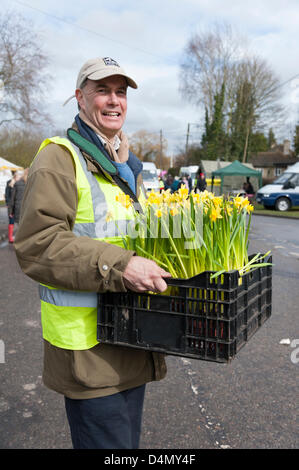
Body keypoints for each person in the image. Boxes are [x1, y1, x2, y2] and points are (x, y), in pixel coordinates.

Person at [14, 57, 171, 449]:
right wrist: (123, 265)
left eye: (121, 92)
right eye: (102, 90)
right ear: (80, 98)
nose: (114, 100)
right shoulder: (60, 157)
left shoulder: (124, 165)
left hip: (130, 341)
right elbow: (38, 243)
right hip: (89, 353)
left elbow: (130, 236)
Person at [9, 169, 28, 239]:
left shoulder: (17, 184)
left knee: (20, 227)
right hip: (28, 209)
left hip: (18, 208)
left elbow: (12, 199)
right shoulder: (32, 184)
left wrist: (10, 211)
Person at [5, 171, 18, 243]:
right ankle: (10, 238)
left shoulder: (20, 183)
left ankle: (18, 237)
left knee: (19, 221)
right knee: (11, 220)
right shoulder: (9, 182)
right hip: (11, 206)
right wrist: (7, 203)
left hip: (17, 205)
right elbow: (7, 194)